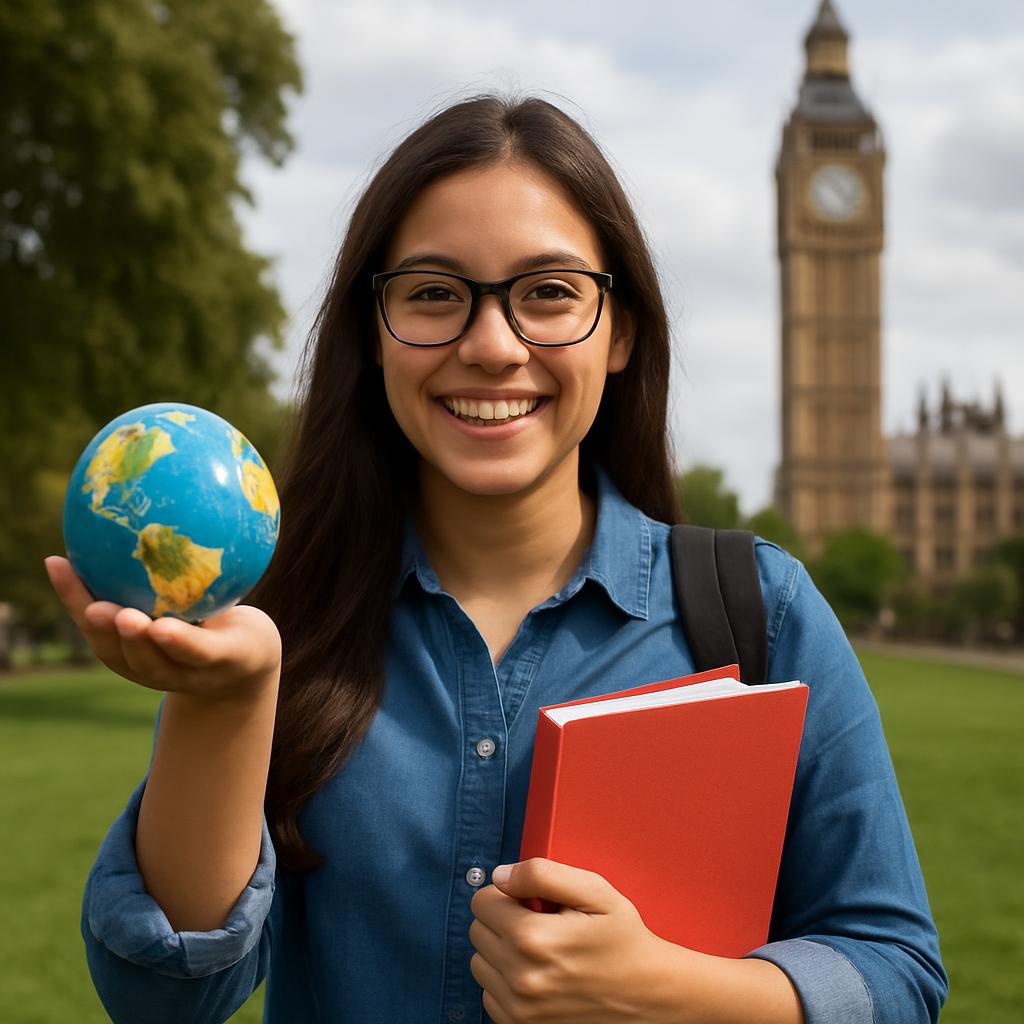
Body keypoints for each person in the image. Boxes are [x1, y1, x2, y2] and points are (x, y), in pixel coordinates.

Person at [46, 94, 947, 1024]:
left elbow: (894, 971)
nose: (491, 345)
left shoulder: (762, 610)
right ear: (376, 330)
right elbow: (163, 1000)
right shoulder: (282, 619)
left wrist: (666, 990)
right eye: (434, 293)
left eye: (549, 293)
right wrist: (222, 706)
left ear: (623, 328)